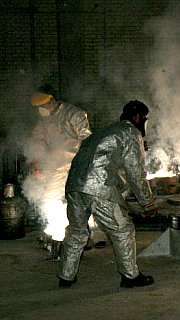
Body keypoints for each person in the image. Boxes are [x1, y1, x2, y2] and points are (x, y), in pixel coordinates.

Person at [58, 100, 160, 289]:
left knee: (77, 232)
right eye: (143, 119)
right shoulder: (130, 132)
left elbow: (106, 165)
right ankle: (130, 277)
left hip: (74, 186)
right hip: (98, 186)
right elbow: (135, 172)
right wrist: (148, 202)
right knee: (123, 230)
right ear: (137, 117)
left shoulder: (104, 133)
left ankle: (66, 277)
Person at [24, 84, 99, 257]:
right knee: (50, 198)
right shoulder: (45, 120)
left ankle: (83, 238)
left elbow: (87, 140)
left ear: (52, 100)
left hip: (76, 166)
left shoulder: (75, 114)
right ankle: (57, 233)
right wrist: (36, 163)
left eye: (42, 105)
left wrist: (87, 165)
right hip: (56, 166)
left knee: (78, 203)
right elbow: (38, 141)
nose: (41, 109)